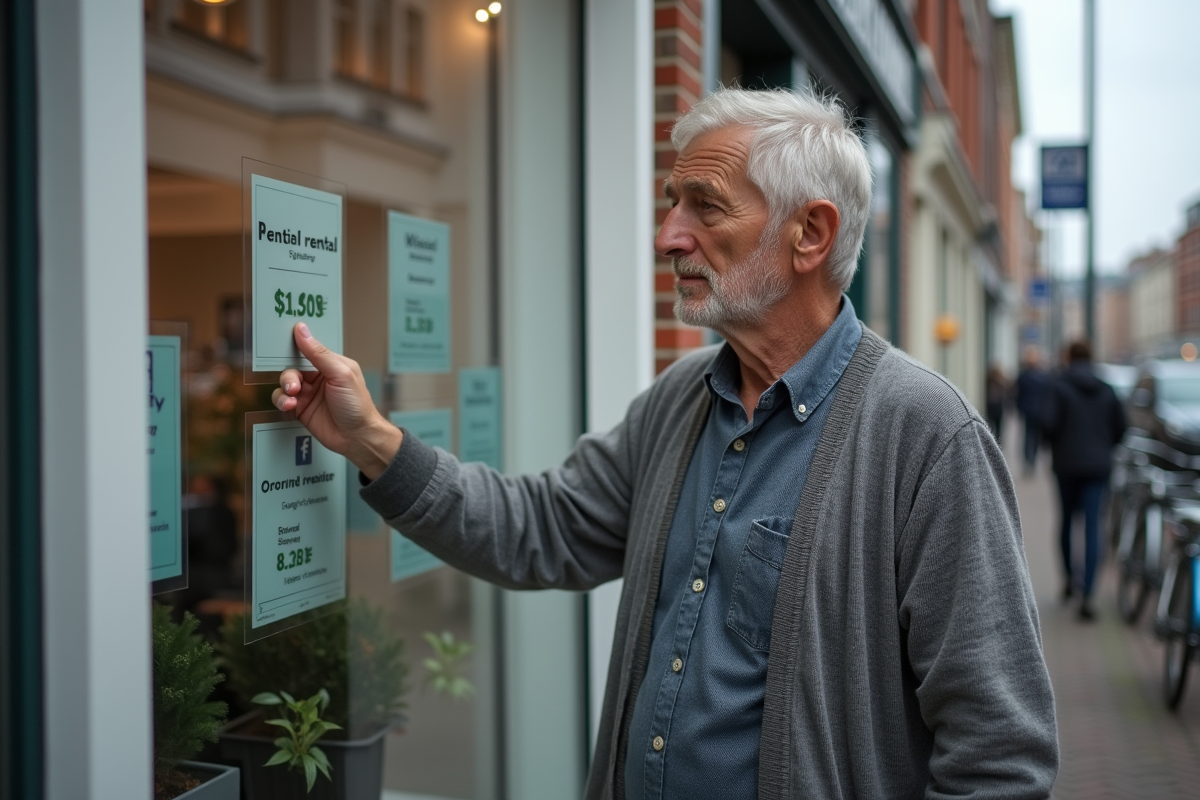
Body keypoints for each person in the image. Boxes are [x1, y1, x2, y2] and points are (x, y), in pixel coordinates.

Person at [273, 89, 1057, 798]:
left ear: (809, 233)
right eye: (671, 203)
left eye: (704, 207)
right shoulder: (682, 400)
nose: (667, 235)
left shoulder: (926, 436)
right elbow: (539, 529)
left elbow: (998, 754)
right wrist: (372, 439)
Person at [1041, 340, 1127, 621]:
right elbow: (1121, 429)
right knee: (1093, 527)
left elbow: (1049, 424)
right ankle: (1088, 594)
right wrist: (1102, 446)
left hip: (1067, 465)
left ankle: (1069, 580)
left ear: (1069, 358)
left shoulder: (1059, 386)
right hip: (1098, 467)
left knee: (1067, 521)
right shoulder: (1107, 389)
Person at [1015, 346, 1048, 475]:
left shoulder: (1023, 376)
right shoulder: (1043, 377)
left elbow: (1017, 394)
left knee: (1028, 436)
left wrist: (1019, 407)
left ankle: (1028, 460)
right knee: (1035, 437)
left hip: (1027, 410)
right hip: (1038, 410)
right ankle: (1032, 460)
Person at [985, 363, 1010, 443]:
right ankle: (998, 440)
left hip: (991, 405)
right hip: (997, 406)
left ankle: (993, 439)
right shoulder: (1000, 380)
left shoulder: (989, 379)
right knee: (997, 425)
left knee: (990, 424)